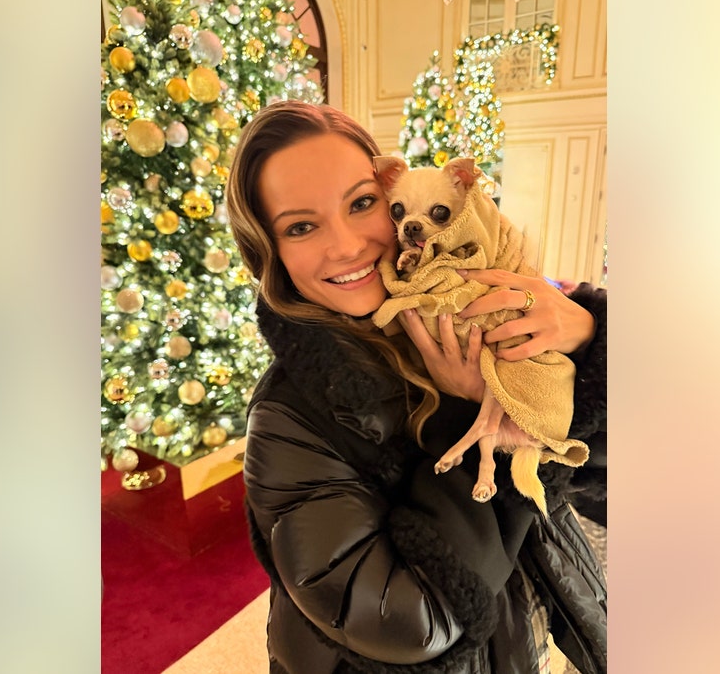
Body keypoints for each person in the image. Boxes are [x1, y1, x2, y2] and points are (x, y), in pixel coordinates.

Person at [225, 100, 608, 674]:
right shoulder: (287, 420)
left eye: (361, 204)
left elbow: (609, 480)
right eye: (301, 226)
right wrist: (473, 416)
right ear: (268, 249)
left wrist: (590, 340)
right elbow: (410, 620)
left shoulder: (459, 310)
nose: (348, 244)